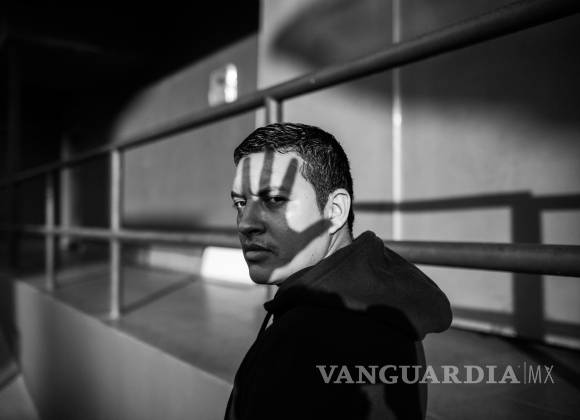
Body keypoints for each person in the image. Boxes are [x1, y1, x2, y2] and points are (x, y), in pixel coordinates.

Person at [225, 123, 452, 420]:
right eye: (240, 203)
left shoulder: (312, 339)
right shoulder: (379, 302)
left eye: (274, 200)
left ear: (335, 211)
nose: (245, 223)